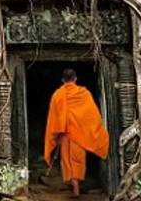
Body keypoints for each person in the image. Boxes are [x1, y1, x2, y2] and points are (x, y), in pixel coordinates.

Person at [44, 68, 109, 197]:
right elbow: (92, 116)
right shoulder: (84, 94)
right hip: (80, 134)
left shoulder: (57, 95)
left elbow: (53, 118)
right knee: (78, 160)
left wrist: (55, 135)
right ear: (75, 78)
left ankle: (75, 187)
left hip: (65, 135)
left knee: (68, 161)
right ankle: (76, 186)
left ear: (62, 80)